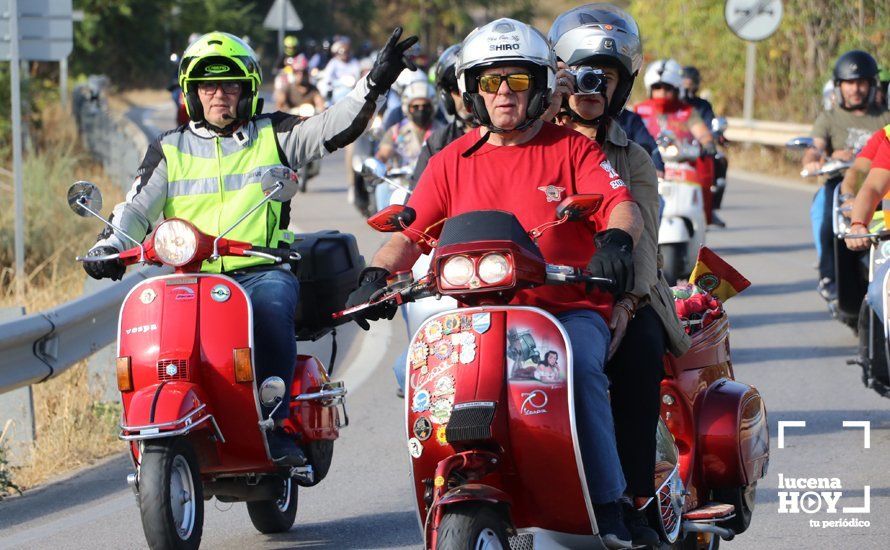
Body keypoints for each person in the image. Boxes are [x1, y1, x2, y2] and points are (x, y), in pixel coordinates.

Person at [346, 17, 643, 549]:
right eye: (490, 82)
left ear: (540, 87)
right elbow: (410, 233)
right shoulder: (449, 161)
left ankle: (608, 500)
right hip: (474, 316)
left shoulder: (574, 150)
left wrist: (615, 243)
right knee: (422, 379)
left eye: (518, 80)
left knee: (579, 370)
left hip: (562, 310)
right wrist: (374, 275)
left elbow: (622, 205)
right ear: (471, 92)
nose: (504, 93)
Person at [81, 30, 418, 465]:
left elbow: (333, 126)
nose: (218, 95)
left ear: (247, 89)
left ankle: (273, 417)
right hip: (190, 276)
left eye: (229, 85)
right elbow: (135, 208)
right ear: (192, 92)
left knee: (272, 305)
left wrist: (375, 81)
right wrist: (110, 243)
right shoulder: (169, 149)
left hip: (260, 268)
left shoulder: (274, 134)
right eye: (207, 86)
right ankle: (162, 416)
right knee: (156, 329)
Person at [548, 4, 691, 547]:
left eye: (603, 78)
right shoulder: (525, 143)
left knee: (637, 356)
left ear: (622, 87)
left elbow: (646, 245)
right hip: (537, 290)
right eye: (578, 73)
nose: (590, 86)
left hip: (620, 297)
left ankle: (632, 498)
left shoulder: (634, 158)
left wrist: (627, 308)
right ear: (555, 77)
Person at [801, 50, 890, 303]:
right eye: (850, 83)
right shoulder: (829, 118)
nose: (856, 89)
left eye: (862, 82)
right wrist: (819, 158)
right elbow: (818, 149)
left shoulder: (884, 117)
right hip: (842, 182)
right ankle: (830, 274)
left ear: (873, 86)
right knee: (827, 208)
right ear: (839, 87)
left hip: (881, 186)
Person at [635, 59, 721, 227]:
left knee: (705, 176)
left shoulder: (687, 112)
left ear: (677, 89)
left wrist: (708, 143)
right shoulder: (639, 110)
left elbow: (702, 132)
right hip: (647, 166)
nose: (662, 93)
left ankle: (704, 219)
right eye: (657, 88)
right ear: (650, 89)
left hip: (681, 166)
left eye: (668, 88)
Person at [411, 43, 478, 184]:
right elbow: (415, 198)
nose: (465, 95)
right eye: (456, 87)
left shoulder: (510, 139)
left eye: (472, 86)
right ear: (445, 95)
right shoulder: (438, 143)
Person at [372, 79, 442, 209]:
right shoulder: (396, 130)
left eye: (425, 106)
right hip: (400, 185)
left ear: (433, 106)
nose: (420, 110)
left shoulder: (443, 131)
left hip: (433, 186)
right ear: (407, 107)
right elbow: (383, 154)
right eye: (415, 107)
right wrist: (381, 164)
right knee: (381, 187)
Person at [844, 126, 890, 321]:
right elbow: (871, 186)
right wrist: (857, 224)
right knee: (879, 292)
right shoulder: (887, 137)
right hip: (886, 234)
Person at [318, 38, 362, 104]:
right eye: (342, 53)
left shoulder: (354, 62)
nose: (344, 55)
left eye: (346, 53)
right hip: (336, 87)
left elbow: (358, 75)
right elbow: (328, 76)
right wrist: (334, 82)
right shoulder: (334, 62)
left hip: (351, 88)